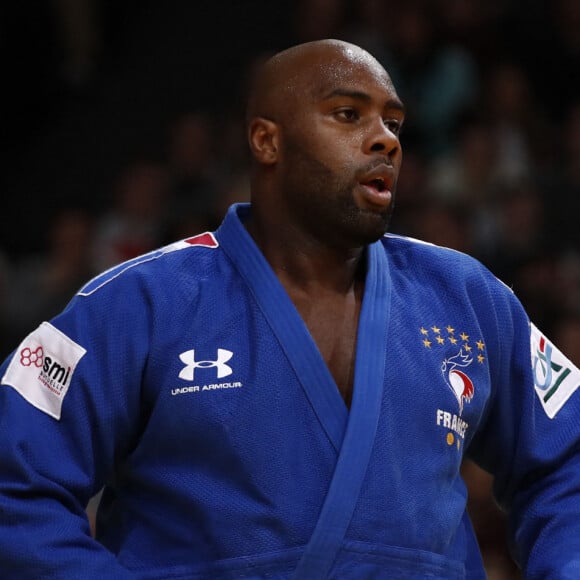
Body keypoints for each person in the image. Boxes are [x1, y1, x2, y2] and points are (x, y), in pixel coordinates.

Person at [0, 39, 579, 580]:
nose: (386, 140)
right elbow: (15, 486)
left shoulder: (465, 298)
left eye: (394, 122)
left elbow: (568, 463)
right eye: (349, 115)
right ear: (266, 141)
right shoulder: (139, 302)